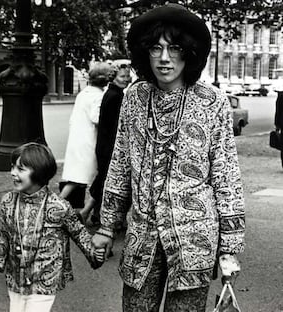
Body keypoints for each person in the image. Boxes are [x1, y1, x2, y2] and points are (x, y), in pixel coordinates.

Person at [91, 4, 245, 312]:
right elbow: (119, 164)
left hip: (194, 241)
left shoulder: (213, 102)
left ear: (189, 52)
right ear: (143, 53)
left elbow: (226, 176)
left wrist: (229, 247)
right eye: (155, 48)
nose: (164, 58)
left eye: (174, 48)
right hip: (141, 239)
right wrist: (107, 226)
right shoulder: (134, 98)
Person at [0, 143, 105, 312]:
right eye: (12, 167)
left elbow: (79, 233)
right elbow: (5, 235)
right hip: (16, 278)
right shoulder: (8, 202)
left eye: (21, 169)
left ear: (39, 172)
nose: (13, 173)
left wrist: (95, 252)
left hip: (44, 279)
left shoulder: (58, 207)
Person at [78, 63, 131, 225]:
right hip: (110, 147)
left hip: (104, 146)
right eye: (122, 76)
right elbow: (117, 127)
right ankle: (88, 212)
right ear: (113, 78)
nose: (126, 79)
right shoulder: (116, 96)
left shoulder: (112, 93)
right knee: (105, 181)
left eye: (128, 76)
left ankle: (95, 215)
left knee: (103, 179)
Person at [59, 62, 112, 208]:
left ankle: (75, 208)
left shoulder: (83, 93)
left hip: (77, 138)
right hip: (88, 142)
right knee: (79, 178)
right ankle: (56, 204)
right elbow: (96, 118)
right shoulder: (99, 96)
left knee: (77, 176)